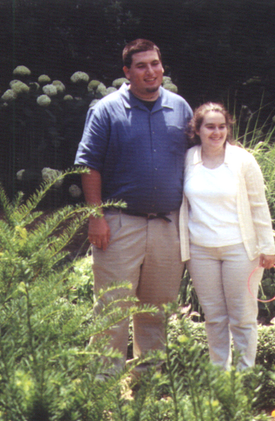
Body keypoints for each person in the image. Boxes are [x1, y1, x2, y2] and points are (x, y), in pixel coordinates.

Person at [75, 39, 192, 372]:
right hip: (120, 224)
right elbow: (88, 165)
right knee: (112, 309)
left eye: (155, 63)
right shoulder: (106, 110)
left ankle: (148, 381)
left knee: (156, 310)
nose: (151, 71)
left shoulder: (180, 108)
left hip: (167, 227)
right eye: (141, 66)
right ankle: (102, 385)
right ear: (127, 72)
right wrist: (95, 218)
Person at [179, 102, 275, 370]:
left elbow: (258, 205)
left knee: (243, 318)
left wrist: (267, 246)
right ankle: (219, 376)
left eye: (222, 126)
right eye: (210, 126)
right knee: (214, 318)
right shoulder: (188, 159)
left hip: (240, 250)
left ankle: (245, 376)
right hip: (200, 252)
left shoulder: (243, 160)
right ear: (197, 129)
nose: (216, 132)